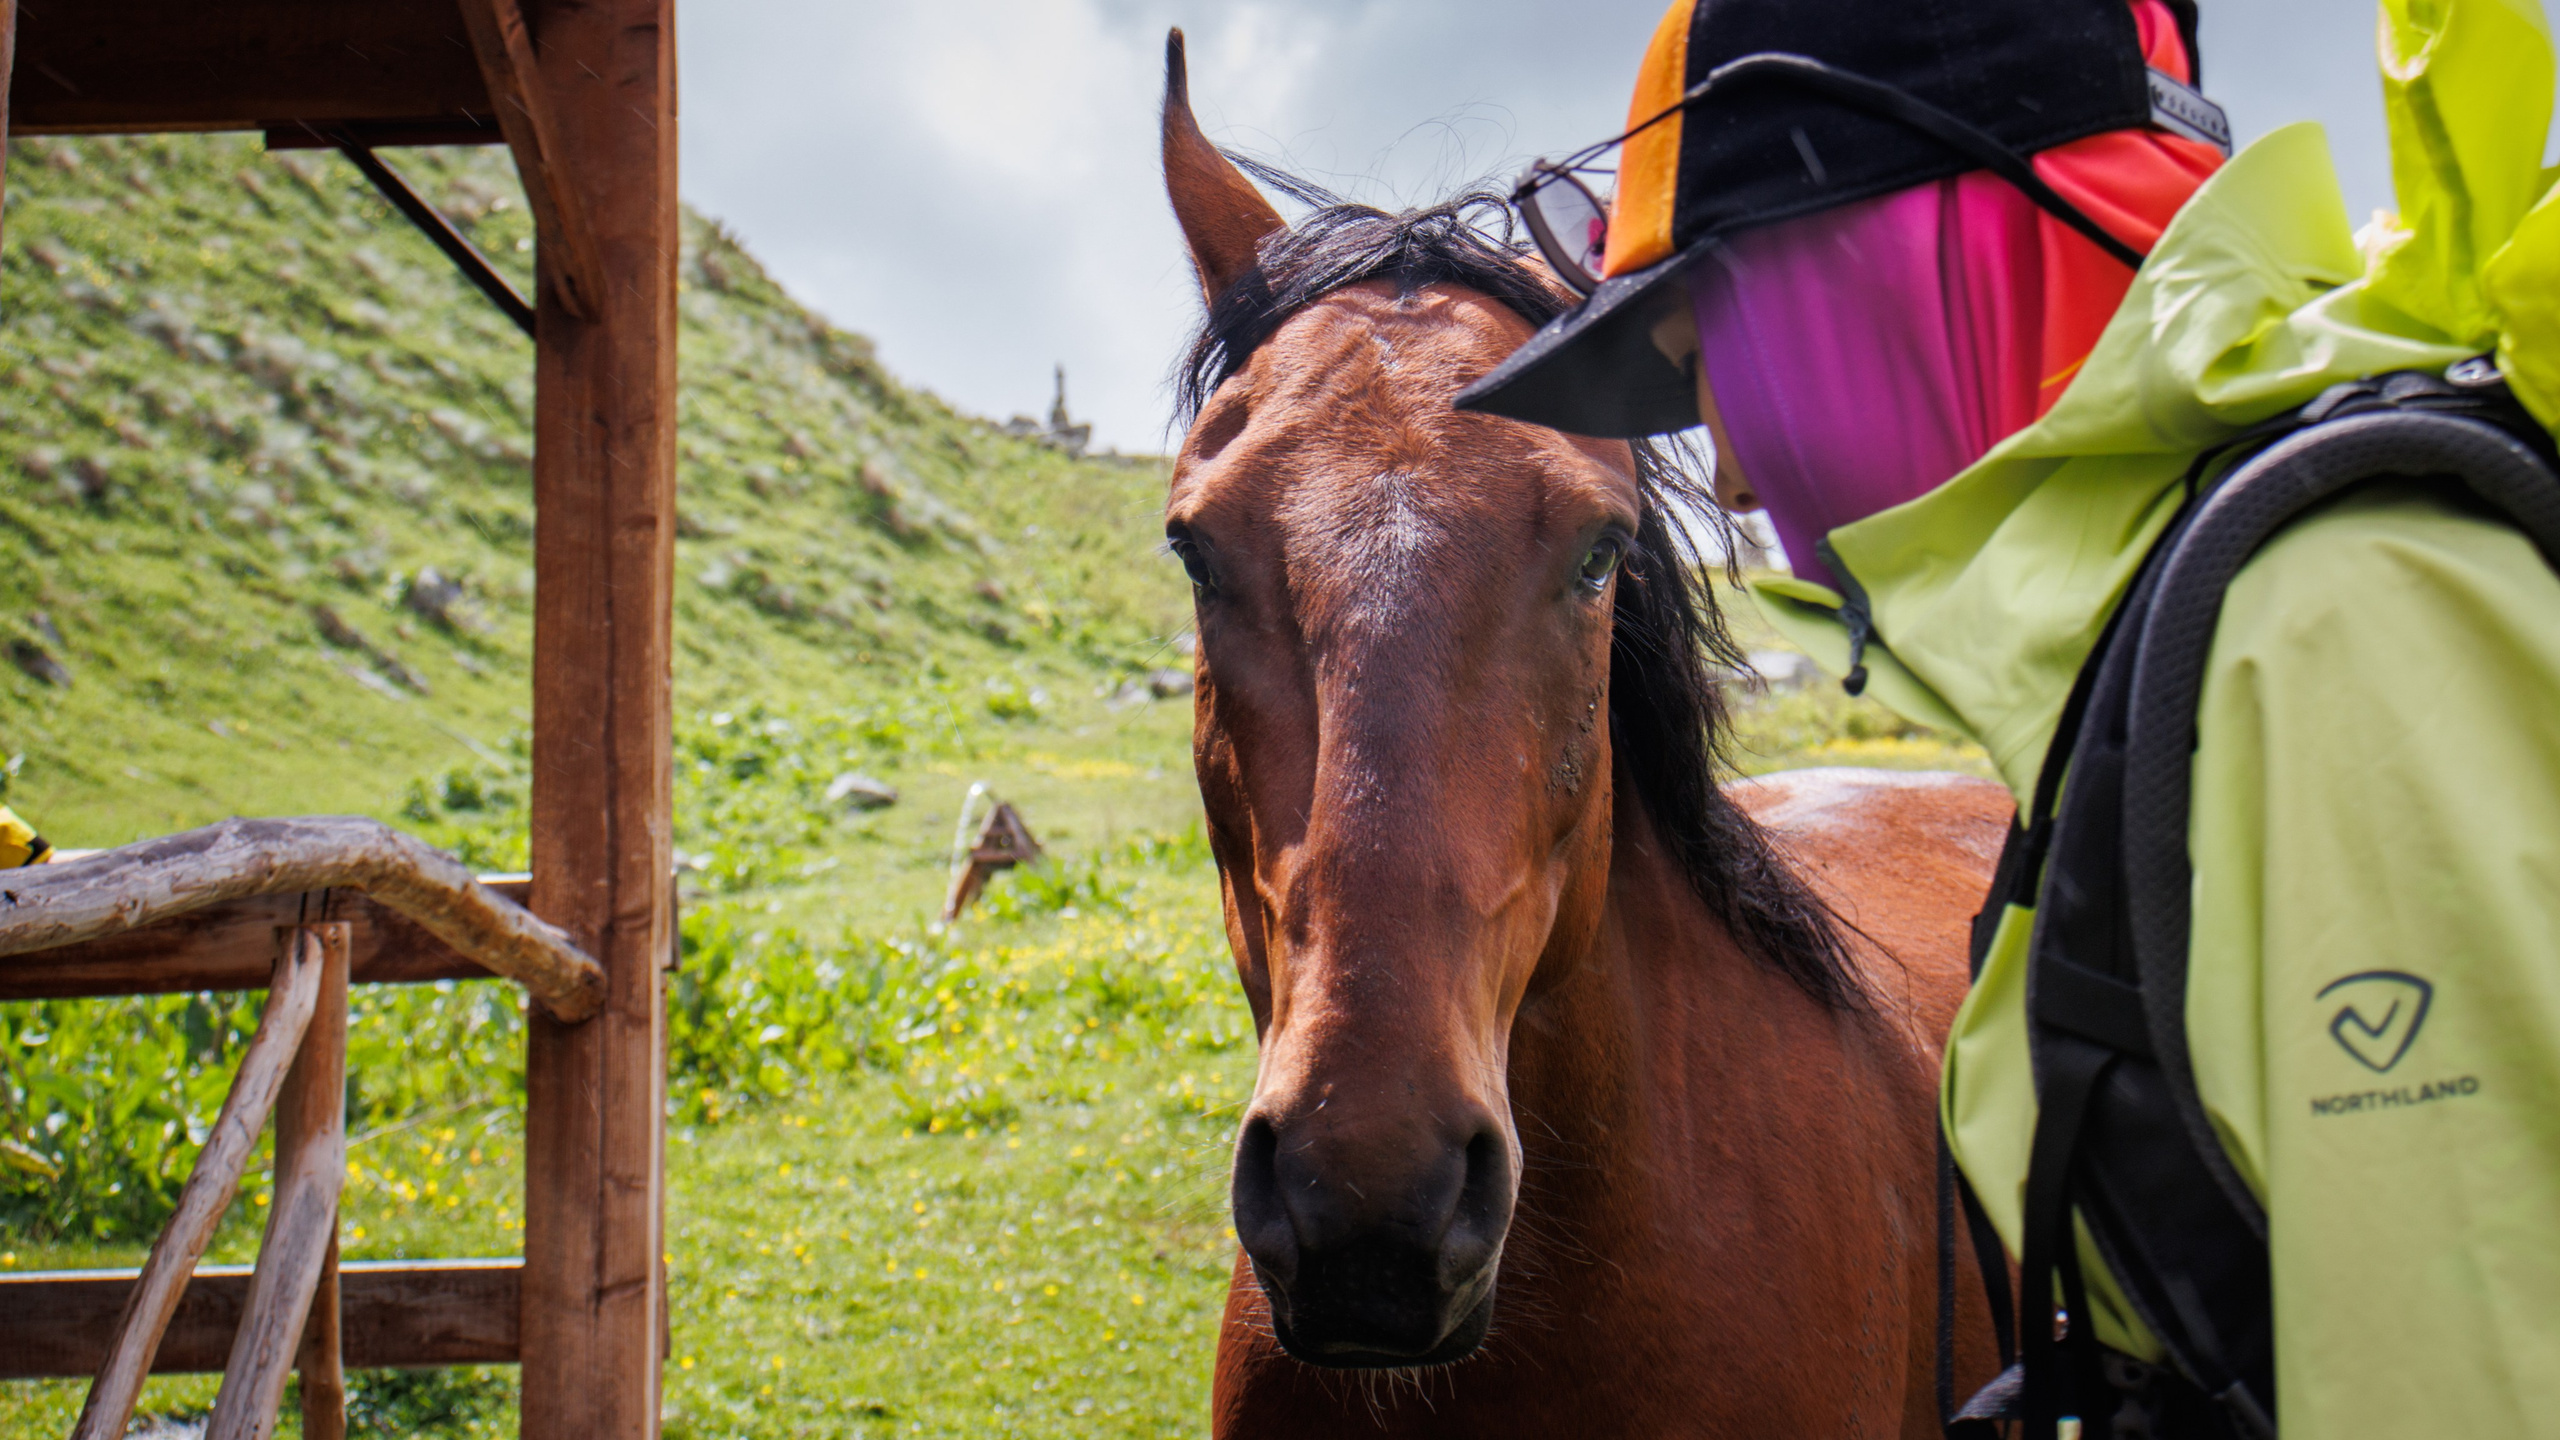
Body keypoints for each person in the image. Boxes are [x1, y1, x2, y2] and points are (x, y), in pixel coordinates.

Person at [1459, 0, 2560, 1435]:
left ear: (1882, 265)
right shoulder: (2201, 629)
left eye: (1708, 353)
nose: (1723, 474)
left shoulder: (2330, 631)